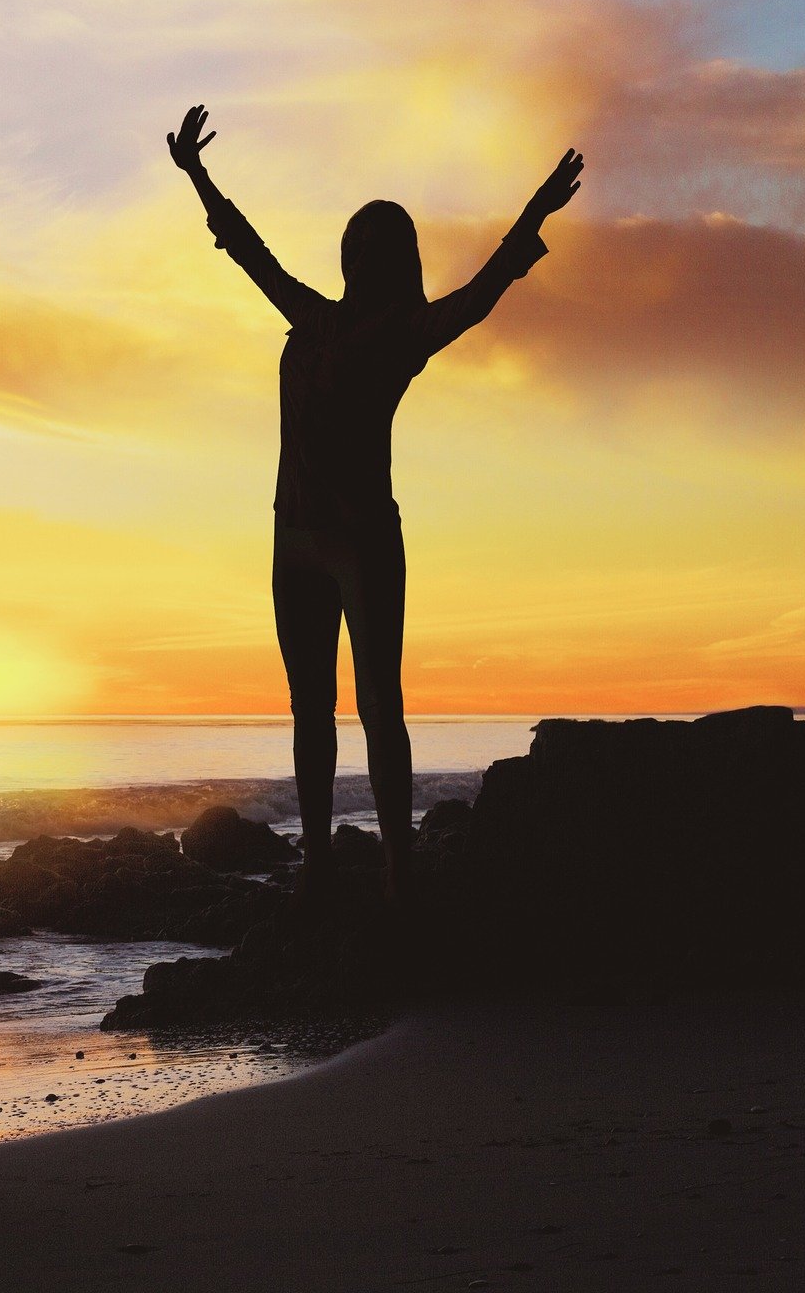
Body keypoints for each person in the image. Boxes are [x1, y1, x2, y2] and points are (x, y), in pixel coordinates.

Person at [167, 104, 583, 907]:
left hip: (360, 542)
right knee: (310, 709)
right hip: (294, 538)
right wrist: (197, 175)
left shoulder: (404, 334)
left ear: (384, 260)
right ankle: (317, 866)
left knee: (378, 706)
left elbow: (484, 290)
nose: (352, 253)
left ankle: (397, 870)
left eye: (366, 244)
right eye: (353, 242)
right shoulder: (313, 317)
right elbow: (249, 256)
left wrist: (533, 215)